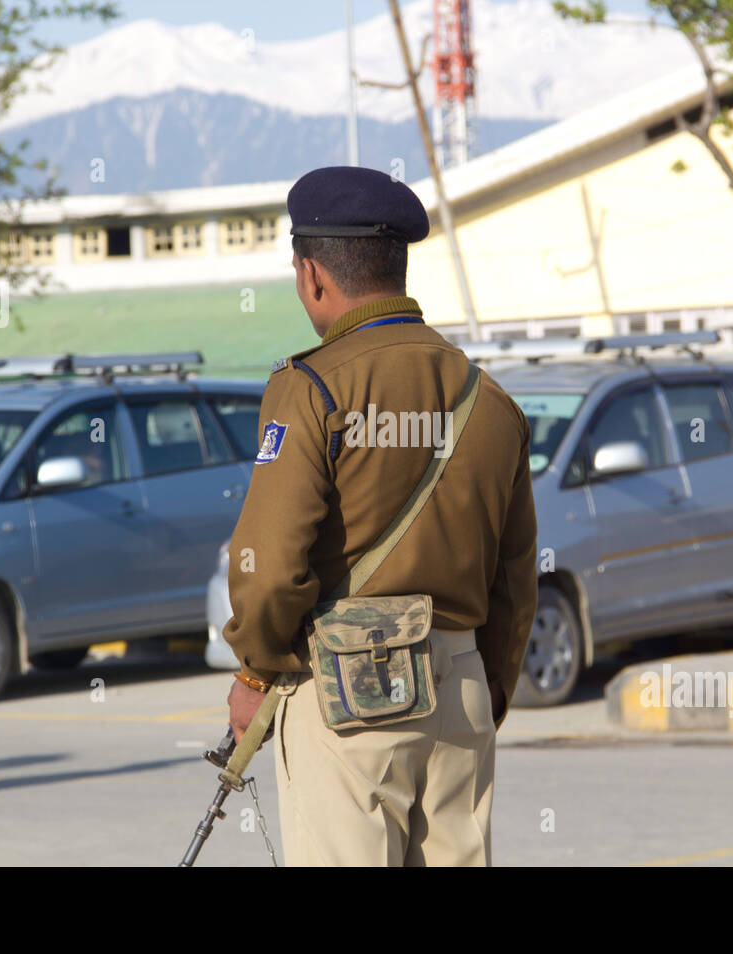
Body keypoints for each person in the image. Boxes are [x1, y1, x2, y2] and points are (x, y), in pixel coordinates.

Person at [222, 166, 537, 867]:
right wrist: (485, 692)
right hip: (461, 687)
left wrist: (255, 673)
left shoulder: (310, 389)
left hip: (345, 695)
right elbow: (516, 586)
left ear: (312, 277)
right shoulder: (491, 402)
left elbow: (271, 568)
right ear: (397, 266)